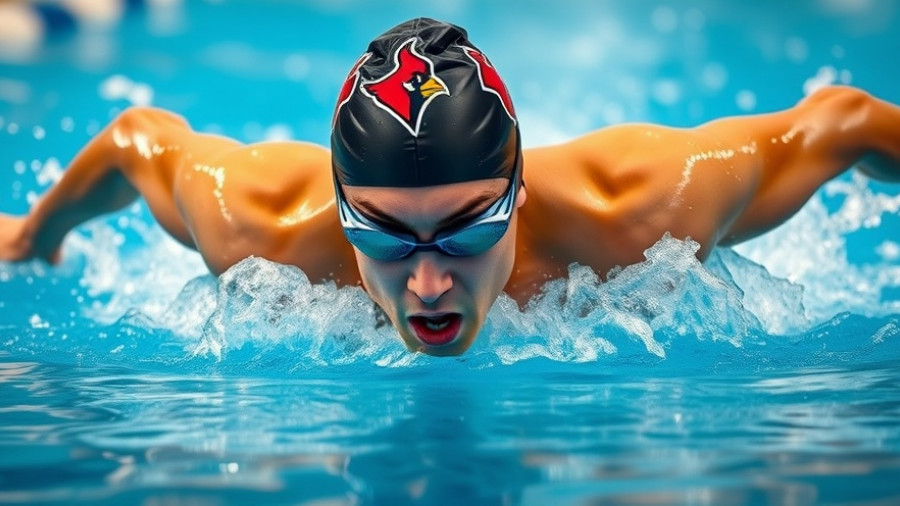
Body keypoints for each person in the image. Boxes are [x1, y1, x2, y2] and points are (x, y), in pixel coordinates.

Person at [1, 18, 898, 356]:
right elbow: (135, 141)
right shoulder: (262, 229)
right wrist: (32, 237)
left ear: (517, 188)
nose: (426, 283)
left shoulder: (644, 212)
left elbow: (845, 122)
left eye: (468, 232)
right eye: (386, 237)